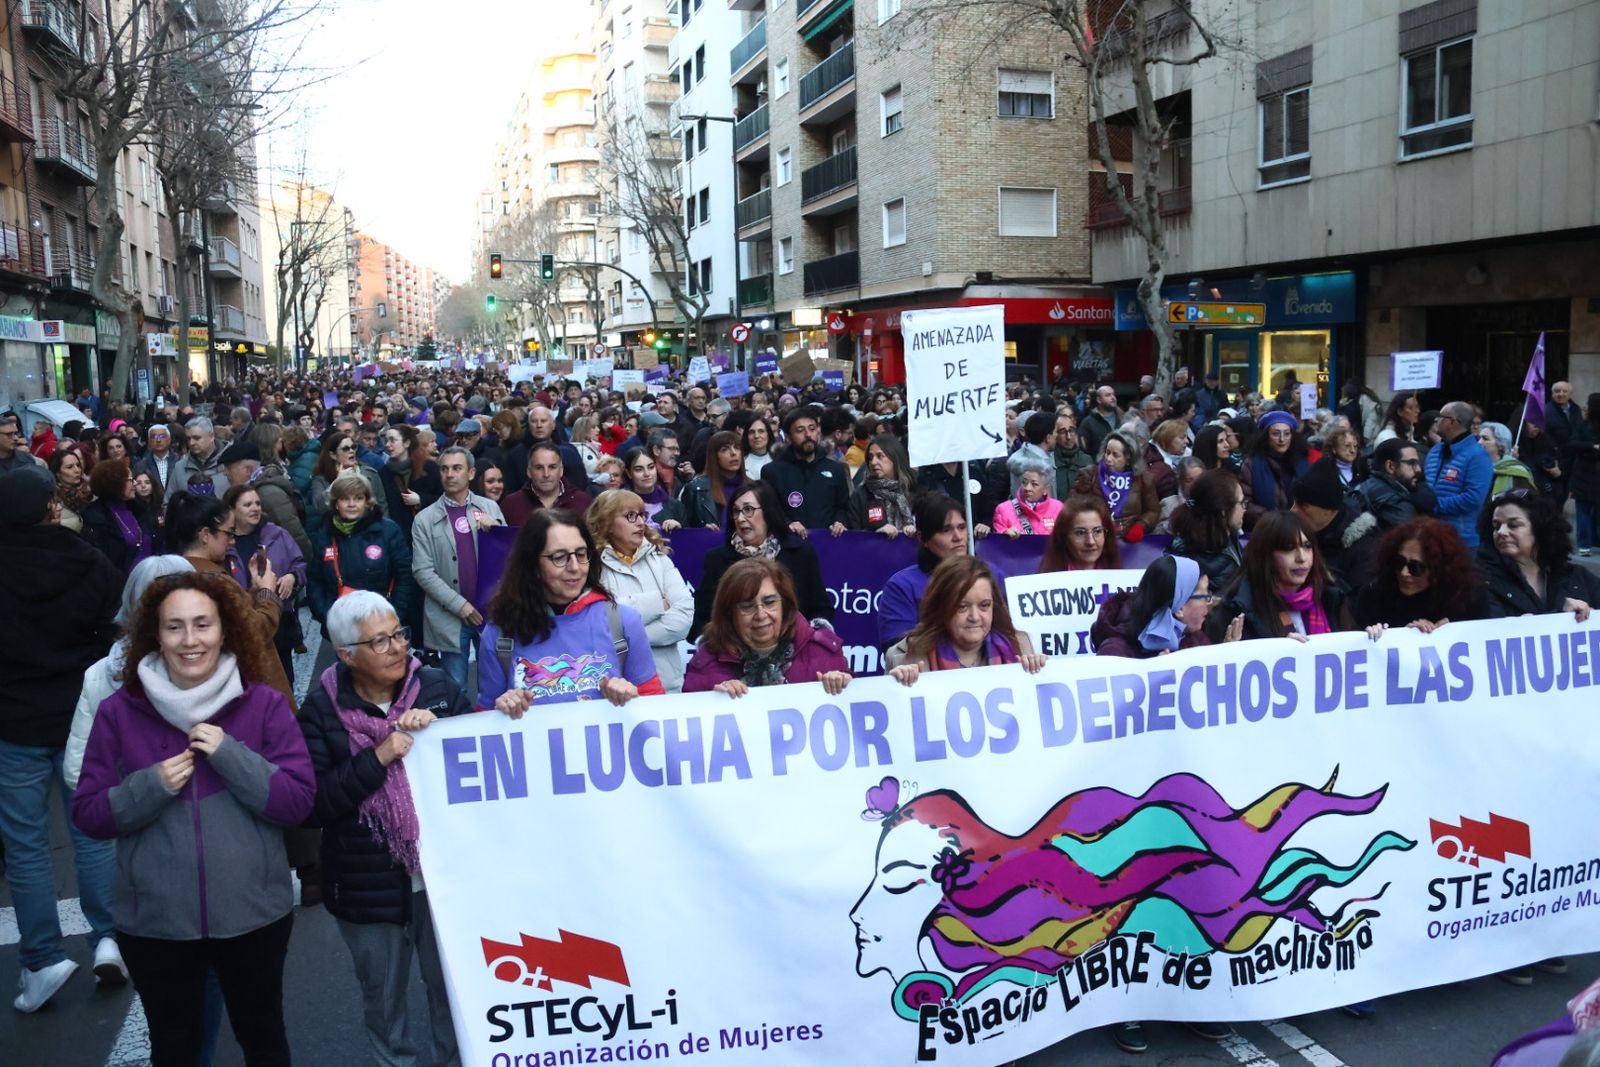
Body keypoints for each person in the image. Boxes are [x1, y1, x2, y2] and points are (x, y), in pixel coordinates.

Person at [72, 571, 315, 1065]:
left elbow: (297, 802)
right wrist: (148, 787)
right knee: (175, 1046)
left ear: (225, 629)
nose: (189, 640)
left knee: (264, 1038)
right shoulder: (120, 712)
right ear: (153, 635)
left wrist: (231, 754)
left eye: (202, 625)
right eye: (174, 627)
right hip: (156, 923)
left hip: (253, 916)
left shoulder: (262, 704)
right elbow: (90, 813)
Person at [298, 592, 466, 1067]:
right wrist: (378, 757)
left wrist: (442, 729)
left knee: (453, 994)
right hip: (365, 885)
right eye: (380, 641)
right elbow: (312, 804)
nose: (397, 648)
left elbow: (480, 759)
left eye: (399, 634)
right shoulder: (319, 712)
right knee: (385, 1001)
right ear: (347, 654)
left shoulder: (437, 688)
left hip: (442, 879)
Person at [0, 466, 123, 1012]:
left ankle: (43, 958)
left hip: (15, 721)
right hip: (79, 712)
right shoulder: (87, 560)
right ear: (52, 506)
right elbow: (110, 635)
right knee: (92, 828)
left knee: (26, 846)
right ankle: (108, 937)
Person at [478, 510, 663, 710]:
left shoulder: (622, 621)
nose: (575, 567)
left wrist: (632, 698)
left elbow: (654, 707)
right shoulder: (500, 633)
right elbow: (483, 723)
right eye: (559, 557)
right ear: (532, 564)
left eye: (581, 554)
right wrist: (501, 710)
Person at [164, 491, 298, 706]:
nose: (232, 541)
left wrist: (253, 591)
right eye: (229, 533)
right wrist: (267, 593)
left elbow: (236, 618)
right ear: (206, 535)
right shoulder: (214, 581)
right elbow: (254, 631)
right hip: (252, 691)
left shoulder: (183, 573)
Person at [412, 447, 506, 697]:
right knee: (455, 688)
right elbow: (422, 571)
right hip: (450, 616)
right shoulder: (424, 519)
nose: (450, 474)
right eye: (444, 469)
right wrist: (460, 605)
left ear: (471, 473)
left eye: (457, 468)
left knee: (496, 686)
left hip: (491, 613)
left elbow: (510, 558)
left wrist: (495, 530)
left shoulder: (490, 508)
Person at [683, 558, 852, 696]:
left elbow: (853, 717)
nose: (761, 615)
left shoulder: (822, 653)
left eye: (769, 602)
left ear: (785, 605)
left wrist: (842, 686)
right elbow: (692, 725)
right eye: (747, 606)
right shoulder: (706, 664)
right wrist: (713, 700)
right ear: (729, 614)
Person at [690, 481, 831, 640]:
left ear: (768, 512)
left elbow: (820, 609)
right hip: (733, 656)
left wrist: (806, 642)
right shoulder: (717, 560)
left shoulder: (801, 554)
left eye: (748, 510)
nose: (740, 518)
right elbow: (702, 618)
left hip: (793, 652)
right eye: (736, 511)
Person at [588, 489, 695, 693]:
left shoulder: (660, 559)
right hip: (614, 691)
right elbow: (600, 623)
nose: (640, 522)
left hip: (667, 687)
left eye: (641, 515)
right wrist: (656, 604)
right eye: (630, 516)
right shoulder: (591, 567)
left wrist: (628, 635)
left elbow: (682, 620)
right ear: (606, 523)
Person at [884, 556, 1045, 679]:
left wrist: (1040, 673)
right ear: (941, 607)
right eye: (962, 607)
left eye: (984, 605)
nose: (975, 617)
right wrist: (897, 688)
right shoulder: (903, 657)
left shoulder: (1022, 647)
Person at [878, 494, 999, 650]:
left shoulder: (991, 575)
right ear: (922, 537)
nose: (958, 537)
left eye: (962, 527)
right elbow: (896, 650)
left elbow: (1011, 633)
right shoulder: (902, 585)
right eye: (946, 530)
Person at [1209, 510, 1347, 641]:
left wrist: (1367, 636)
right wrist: (1278, 651)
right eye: (1288, 548)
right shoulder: (1235, 613)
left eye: (1307, 546)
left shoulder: (1334, 597)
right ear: (1266, 556)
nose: (1301, 558)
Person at [1348, 518, 1489, 632]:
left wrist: (1454, 631)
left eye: (1416, 567)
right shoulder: (1374, 596)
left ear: (1440, 569)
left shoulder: (1469, 598)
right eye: (1399, 562)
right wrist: (1376, 637)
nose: (1404, 573)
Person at [1478, 489, 1600, 620]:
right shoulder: (1480, 580)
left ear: (1540, 528)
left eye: (1513, 525)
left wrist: (1592, 617)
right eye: (1496, 526)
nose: (1501, 532)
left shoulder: (1578, 576)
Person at [226, 483, 307, 680]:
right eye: (247, 505)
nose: (255, 508)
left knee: (284, 681)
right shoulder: (225, 542)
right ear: (232, 510)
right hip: (243, 625)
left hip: (279, 622)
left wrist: (292, 577)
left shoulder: (277, 534)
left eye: (257, 503)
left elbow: (300, 563)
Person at [1091, 555, 1241, 657]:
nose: (1209, 602)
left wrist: (1226, 659)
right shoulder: (1115, 651)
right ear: (1180, 607)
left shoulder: (1196, 640)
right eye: (1204, 596)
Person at [761, 404, 851, 535]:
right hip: (789, 543)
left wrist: (840, 521)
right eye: (800, 430)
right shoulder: (772, 471)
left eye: (812, 429)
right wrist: (787, 524)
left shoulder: (835, 468)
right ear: (788, 437)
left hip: (828, 543)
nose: (808, 435)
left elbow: (843, 506)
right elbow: (769, 509)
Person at [218, 439, 314, 561]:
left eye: (228, 468)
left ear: (247, 470)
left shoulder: (268, 494)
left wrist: (297, 572)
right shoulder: (254, 490)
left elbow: (295, 536)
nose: (226, 474)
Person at [1424, 401, 1494, 549]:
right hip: (1429, 534)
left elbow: (1473, 498)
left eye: (1440, 416)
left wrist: (1434, 505)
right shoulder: (1435, 451)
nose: (1436, 420)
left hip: (1460, 540)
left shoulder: (1478, 456)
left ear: (1452, 421)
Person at [1072, 430, 1161, 540]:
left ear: (1128, 459)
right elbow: (1073, 508)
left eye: (1115, 455)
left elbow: (1153, 511)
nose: (1108, 459)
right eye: (1107, 452)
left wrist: (1140, 526)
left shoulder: (1143, 479)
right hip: (1095, 538)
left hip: (1128, 540)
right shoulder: (1089, 475)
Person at [80, 458, 155, 575]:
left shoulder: (139, 508)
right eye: (130, 480)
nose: (135, 483)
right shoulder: (96, 517)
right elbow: (101, 562)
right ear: (114, 484)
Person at [1242, 410, 1311, 527]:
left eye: (1287, 434)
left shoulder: (1303, 464)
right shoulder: (1252, 463)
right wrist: (1272, 519)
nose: (1282, 439)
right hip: (1266, 528)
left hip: (1300, 527)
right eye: (1276, 433)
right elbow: (1245, 502)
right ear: (1266, 436)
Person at [311, 430, 387, 532]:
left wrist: (383, 531)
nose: (351, 451)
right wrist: (337, 482)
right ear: (333, 455)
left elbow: (382, 506)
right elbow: (320, 508)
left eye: (353, 447)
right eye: (345, 449)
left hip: (370, 530)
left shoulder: (370, 473)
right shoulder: (321, 478)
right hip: (337, 531)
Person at [1353, 438, 1436, 532]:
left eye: (1418, 463)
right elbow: (1412, 539)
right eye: (1412, 463)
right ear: (1390, 466)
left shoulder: (1371, 484)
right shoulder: (1393, 502)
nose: (1418, 469)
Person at [502, 442, 594, 525]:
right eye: (539, 468)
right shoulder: (511, 505)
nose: (546, 474)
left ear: (561, 470)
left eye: (552, 467)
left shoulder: (583, 502)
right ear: (529, 472)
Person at [847, 436, 917, 537]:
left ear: (895, 458)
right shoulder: (861, 495)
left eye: (880, 456)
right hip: (874, 552)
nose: (874, 462)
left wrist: (914, 532)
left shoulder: (914, 490)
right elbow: (852, 535)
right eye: (870, 457)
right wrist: (876, 534)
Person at [678, 430, 747, 530]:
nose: (733, 453)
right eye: (724, 450)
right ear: (714, 456)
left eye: (737, 448)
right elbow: (686, 528)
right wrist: (702, 531)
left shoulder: (753, 487)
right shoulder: (695, 489)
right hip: (711, 544)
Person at [1039, 495, 1123, 571]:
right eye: (1080, 533)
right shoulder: (1048, 582)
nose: (1090, 542)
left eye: (1097, 531)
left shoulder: (1120, 579)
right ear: (1064, 536)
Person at [993, 452, 1062, 537]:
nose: (1027, 488)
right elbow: (996, 545)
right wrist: (1004, 534)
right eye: (1024, 482)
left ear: (1045, 489)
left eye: (1034, 484)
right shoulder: (1003, 509)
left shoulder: (1058, 508)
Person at [621, 445, 686, 531]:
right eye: (639, 469)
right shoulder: (620, 506)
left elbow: (689, 540)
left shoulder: (675, 506)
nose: (647, 474)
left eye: (651, 467)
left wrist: (679, 530)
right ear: (629, 473)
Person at [172, 416, 228, 500]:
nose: (191, 443)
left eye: (197, 438)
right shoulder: (180, 467)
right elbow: (169, 504)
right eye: (188, 439)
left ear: (211, 436)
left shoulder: (231, 463)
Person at [1477, 421, 1537, 496]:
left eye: (1485, 439)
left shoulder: (1518, 473)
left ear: (1500, 445)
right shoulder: (1474, 468)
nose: (1479, 442)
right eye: (1479, 438)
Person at [1156, 456, 1206, 534]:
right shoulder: (1169, 505)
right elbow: (1159, 536)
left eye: (1199, 479)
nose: (1195, 484)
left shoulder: (1213, 500)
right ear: (1180, 480)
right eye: (1189, 480)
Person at [1052, 409, 1095, 500]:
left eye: (1071, 430)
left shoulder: (1086, 460)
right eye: (1063, 432)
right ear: (1055, 435)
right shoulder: (1049, 461)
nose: (1069, 437)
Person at [49, 444, 91, 532]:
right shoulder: (52, 501)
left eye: (78, 465)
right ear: (57, 472)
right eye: (70, 467)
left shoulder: (91, 490)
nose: (77, 470)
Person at [1079, 385, 1121, 456]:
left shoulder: (1123, 418)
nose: (1113, 397)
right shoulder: (1088, 422)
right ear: (1098, 400)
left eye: (1113, 394)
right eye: (1108, 395)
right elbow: (1083, 449)